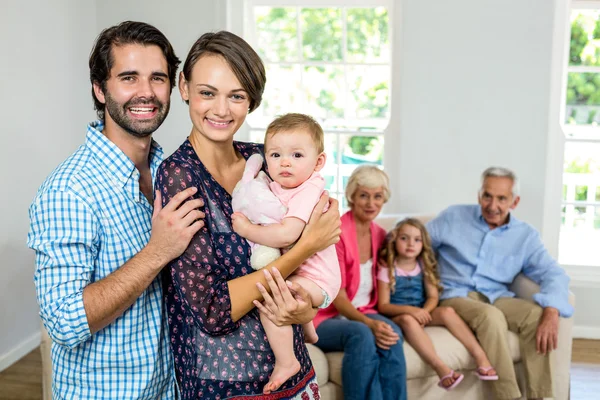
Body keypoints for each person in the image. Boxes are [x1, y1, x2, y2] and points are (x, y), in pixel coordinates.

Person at [155, 31, 341, 400]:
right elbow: (212, 310)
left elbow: (324, 227)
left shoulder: (267, 158)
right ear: (184, 87)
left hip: (295, 374)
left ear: (251, 101)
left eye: (236, 96)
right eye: (208, 92)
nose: (222, 110)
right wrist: (304, 248)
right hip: (226, 379)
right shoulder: (179, 176)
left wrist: (304, 307)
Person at [27, 21, 206, 399]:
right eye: (129, 77)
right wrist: (158, 250)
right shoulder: (69, 190)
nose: (146, 92)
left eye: (157, 78)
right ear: (99, 88)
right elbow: (63, 321)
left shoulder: (170, 173)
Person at [426, 166, 574, 400]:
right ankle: (509, 397)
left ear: (514, 202)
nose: (492, 205)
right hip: (456, 294)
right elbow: (413, 240)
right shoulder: (453, 217)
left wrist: (552, 309)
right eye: (487, 196)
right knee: (490, 317)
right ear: (479, 195)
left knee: (536, 317)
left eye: (501, 198)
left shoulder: (525, 235)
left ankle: (540, 396)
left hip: (496, 295)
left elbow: (553, 273)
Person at [231, 113, 341, 393]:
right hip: (303, 272)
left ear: (318, 163)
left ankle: (286, 361)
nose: (285, 162)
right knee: (282, 290)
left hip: (318, 278)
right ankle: (309, 328)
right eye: (276, 154)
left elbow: (287, 233)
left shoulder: (309, 188)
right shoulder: (277, 184)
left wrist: (246, 230)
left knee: (272, 301)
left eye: (296, 154)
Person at [314, 165, 408, 400]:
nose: (370, 203)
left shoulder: (380, 234)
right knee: (362, 333)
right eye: (364, 195)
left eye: (377, 196)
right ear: (352, 197)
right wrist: (369, 323)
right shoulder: (337, 233)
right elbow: (338, 296)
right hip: (326, 316)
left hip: (363, 310)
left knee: (393, 332)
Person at [377, 218, 498, 391]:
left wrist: (425, 312)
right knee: (408, 320)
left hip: (421, 311)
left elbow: (433, 296)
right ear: (395, 240)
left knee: (447, 311)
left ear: (423, 243)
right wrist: (412, 311)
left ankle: (481, 358)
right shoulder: (387, 268)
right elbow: (384, 305)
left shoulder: (423, 265)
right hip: (398, 315)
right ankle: (440, 367)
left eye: (417, 239)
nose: (411, 244)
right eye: (404, 238)